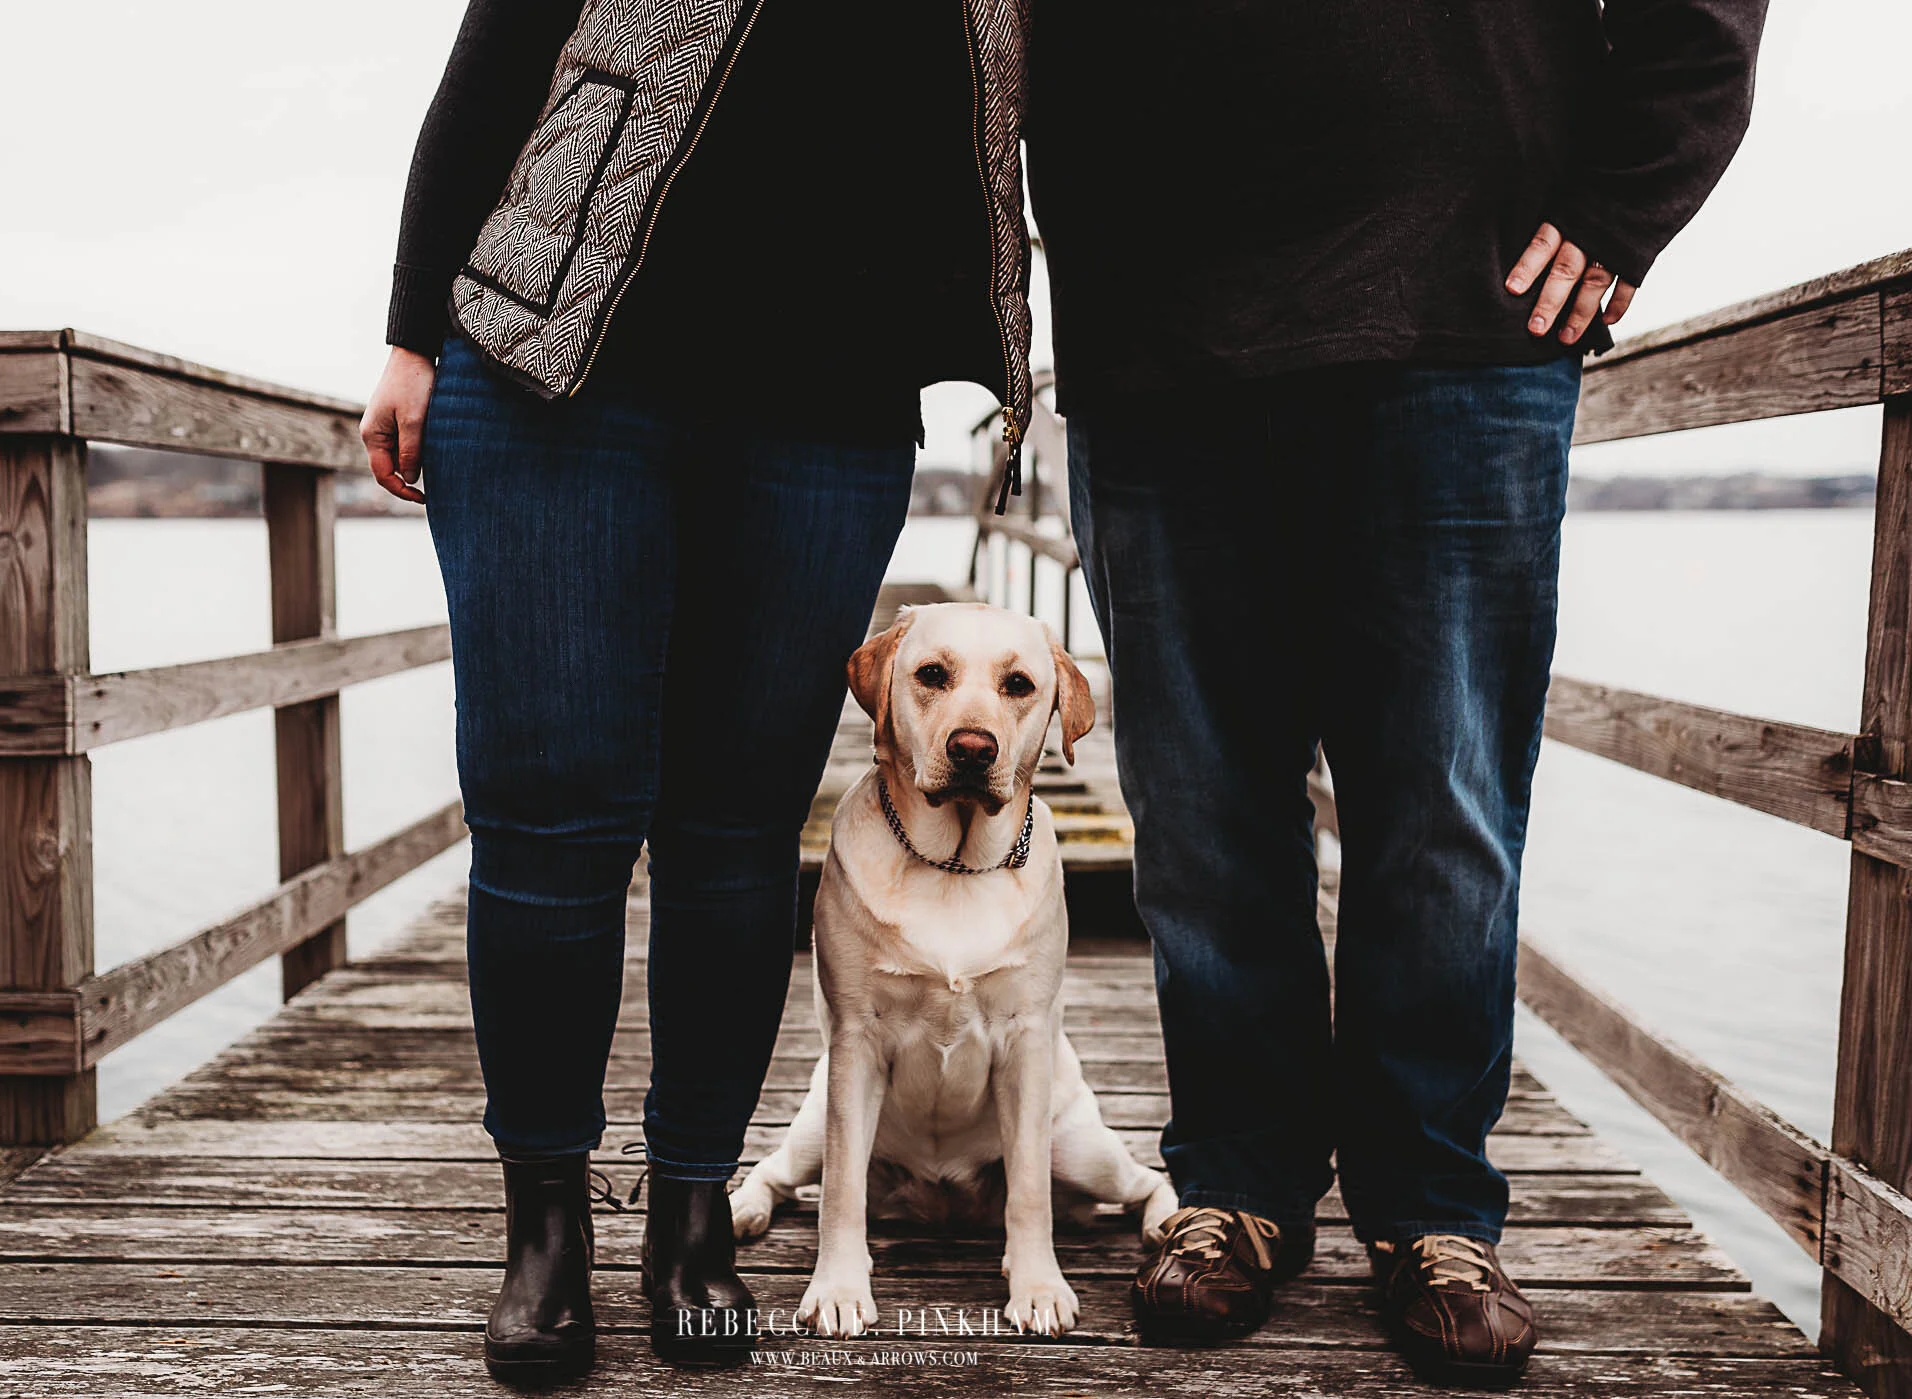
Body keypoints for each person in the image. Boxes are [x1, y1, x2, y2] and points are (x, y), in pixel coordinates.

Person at [1025, 0, 1769, 1384]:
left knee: (1442, 807)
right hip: (1153, 328)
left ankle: (1431, 1209)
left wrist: (1622, 201)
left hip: (1456, 312)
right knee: (1197, 812)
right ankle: (1238, 1188)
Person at [358, 0, 1038, 1380]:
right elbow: (499, 60)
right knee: (552, 815)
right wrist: (413, 333)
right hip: (563, 372)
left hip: (831, 400)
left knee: (735, 832)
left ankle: (690, 1225)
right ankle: (544, 1232)